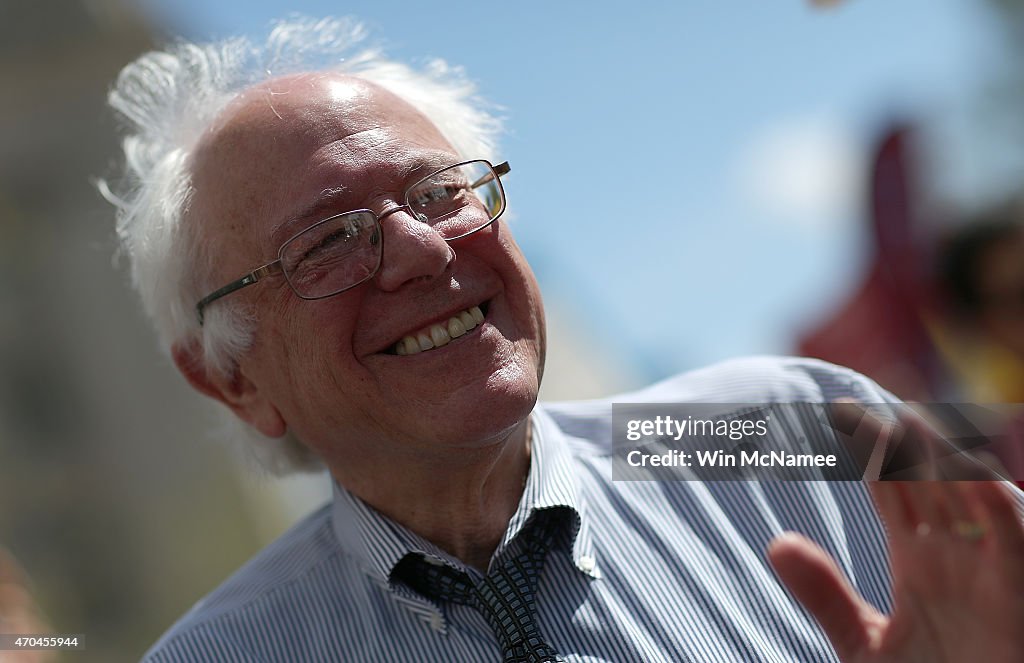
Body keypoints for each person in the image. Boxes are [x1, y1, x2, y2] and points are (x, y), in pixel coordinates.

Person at [103, 17, 1024, 662]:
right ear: (230, 379)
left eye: (437, 194)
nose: (421, 250)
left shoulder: (812, 418)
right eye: (327, 242)